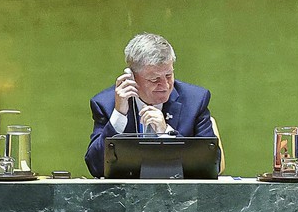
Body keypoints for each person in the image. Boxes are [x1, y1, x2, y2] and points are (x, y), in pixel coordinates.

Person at [84, 32, 217, 177]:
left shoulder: (195, 101)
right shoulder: (105, 104)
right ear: (132, 78)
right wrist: (119, 115)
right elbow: (95, 167)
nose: (165, 85)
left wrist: (166, 133)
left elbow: (211, 164)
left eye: (169, 75)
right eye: (155, 79)